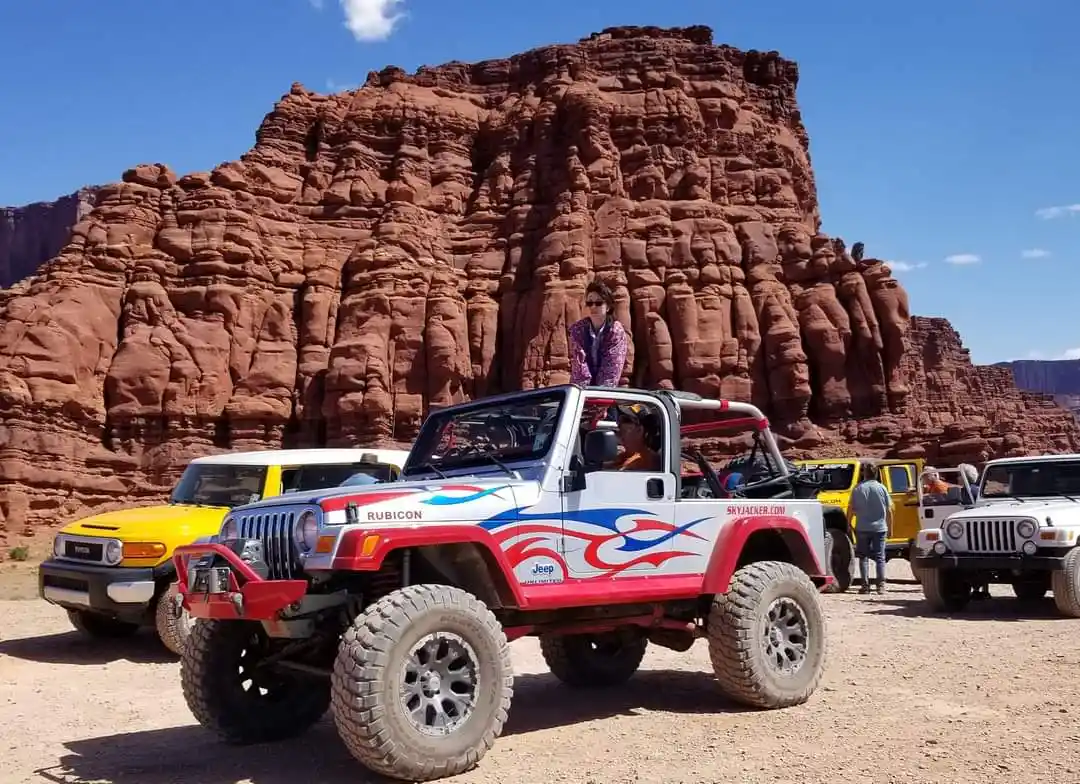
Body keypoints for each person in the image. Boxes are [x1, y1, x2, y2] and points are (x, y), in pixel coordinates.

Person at [569, 280, 629, 387]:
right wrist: (583, 392)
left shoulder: (616, 332)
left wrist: (599, 393)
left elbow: (611, 370)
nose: (593, 307)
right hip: (582, 390)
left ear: (608, 307)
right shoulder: (577, 330)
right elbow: (580, 368)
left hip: (607, 391)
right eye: (589, 303)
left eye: (598, 303)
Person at [849, 462, 893, 595]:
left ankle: (865, 586)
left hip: (862, 527)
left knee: (863, 557)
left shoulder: (857, 489)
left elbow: (851, 509)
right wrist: (890, 528)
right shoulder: (881, 488)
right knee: (880, 557)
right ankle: (881, 586)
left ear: (864, 473)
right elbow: (889, 510)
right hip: (880, 528)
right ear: (876, 473)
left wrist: (848, 524)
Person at [609, 404, 661, 471]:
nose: (618, 424)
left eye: (625, 420)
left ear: (640, 430)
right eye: (619, 419)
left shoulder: (640, 462)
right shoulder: (626, 455)